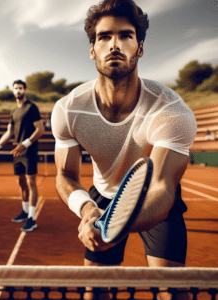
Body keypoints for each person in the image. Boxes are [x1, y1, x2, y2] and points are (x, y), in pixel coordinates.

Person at [51, 0, 197, 296]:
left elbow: (162, 187)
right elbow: (65, 174)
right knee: (95, 293)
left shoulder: (170, 110)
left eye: (125, 36)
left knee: (172, 292)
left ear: (139, 47)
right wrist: (87, 209)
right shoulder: (68, 110)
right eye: (104, 37)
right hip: (102, 199)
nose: (114, 44)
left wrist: (116, 227)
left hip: (154, 203)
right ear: (92, 49)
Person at [0, 80, 45, 231]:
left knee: (31, 182)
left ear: (25, 91)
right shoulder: (14, 112)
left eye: (20, 88)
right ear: (13, 92)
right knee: (21, 181)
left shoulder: (31, 108)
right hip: (17, 152)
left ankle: (32, 219)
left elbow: (40, 130)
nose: (18, 91)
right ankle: (25, 212)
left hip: (28, 151)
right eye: (16, 89)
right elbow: (9, 132)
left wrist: (24, 144)